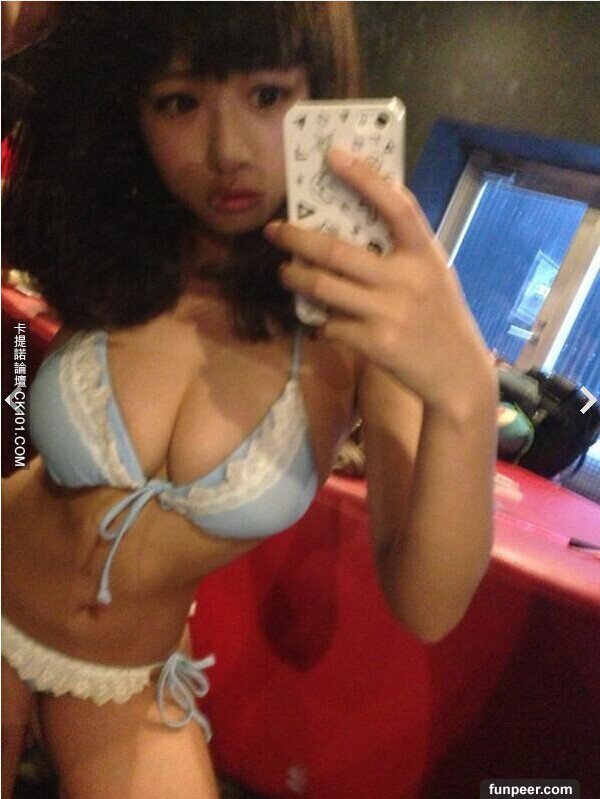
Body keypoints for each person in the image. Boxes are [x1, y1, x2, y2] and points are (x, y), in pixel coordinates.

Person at [1, 3, 499, 797]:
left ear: (321, 96)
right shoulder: (122, 234)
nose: (227, 150)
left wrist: (467, 392)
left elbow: (427, 603)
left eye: (267, 95)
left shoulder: (355, 321)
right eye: (179, 101)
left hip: (121, 679)